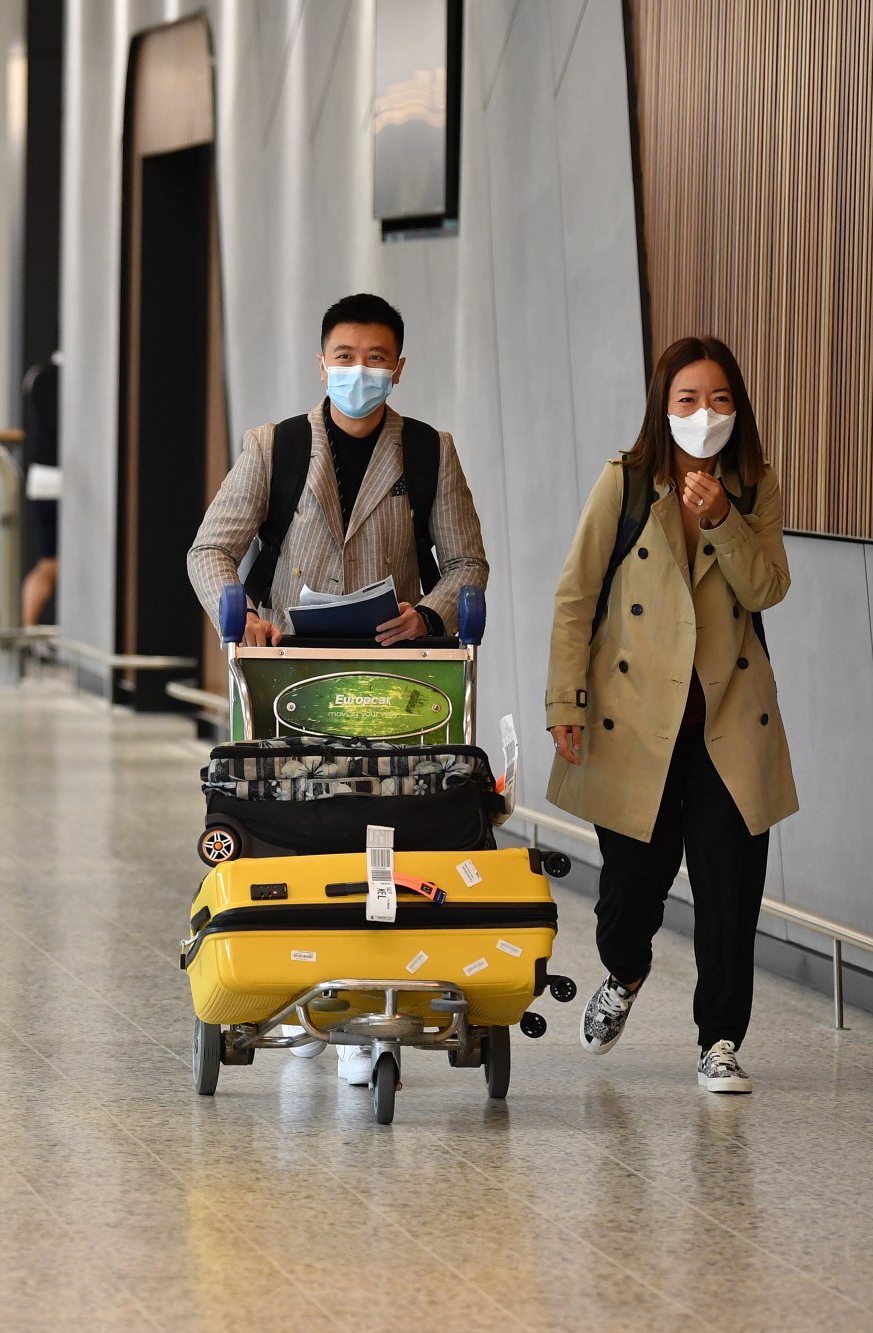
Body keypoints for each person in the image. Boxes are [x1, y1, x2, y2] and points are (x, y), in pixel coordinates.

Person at [186, 292, 489, 1087]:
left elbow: (466, 565)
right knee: (301, 827)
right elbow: (210, 548)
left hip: (397, 679)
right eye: (345, 356)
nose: (360, 371)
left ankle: (366, 1000)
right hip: (287, 671)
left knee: (379, 827)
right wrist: (243, 612)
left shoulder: (428, 452)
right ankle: (296, 989)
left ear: (398, 366)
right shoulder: (274, 447)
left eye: (376, 357)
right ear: (321, 363)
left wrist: (427, 613)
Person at [546, 335, 796, 1095]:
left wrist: (722, 518)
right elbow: (575, 596)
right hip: (631, 722)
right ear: (662, 407)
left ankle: (718, 1039)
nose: (703, 413)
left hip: (726, 723)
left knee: (727, 889)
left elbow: (768, 588)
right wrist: (566, 700)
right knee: (630, 888)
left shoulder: (752, 487)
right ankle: (623, 971)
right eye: (686, 399)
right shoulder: (624, 484)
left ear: (737, 408)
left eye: (719, 399)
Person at [20, 355, 61, 627]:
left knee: (48, 563)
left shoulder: (36, 376)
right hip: (72, 479)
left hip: (41, 478)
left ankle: (28, 630)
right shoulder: (82, 378)